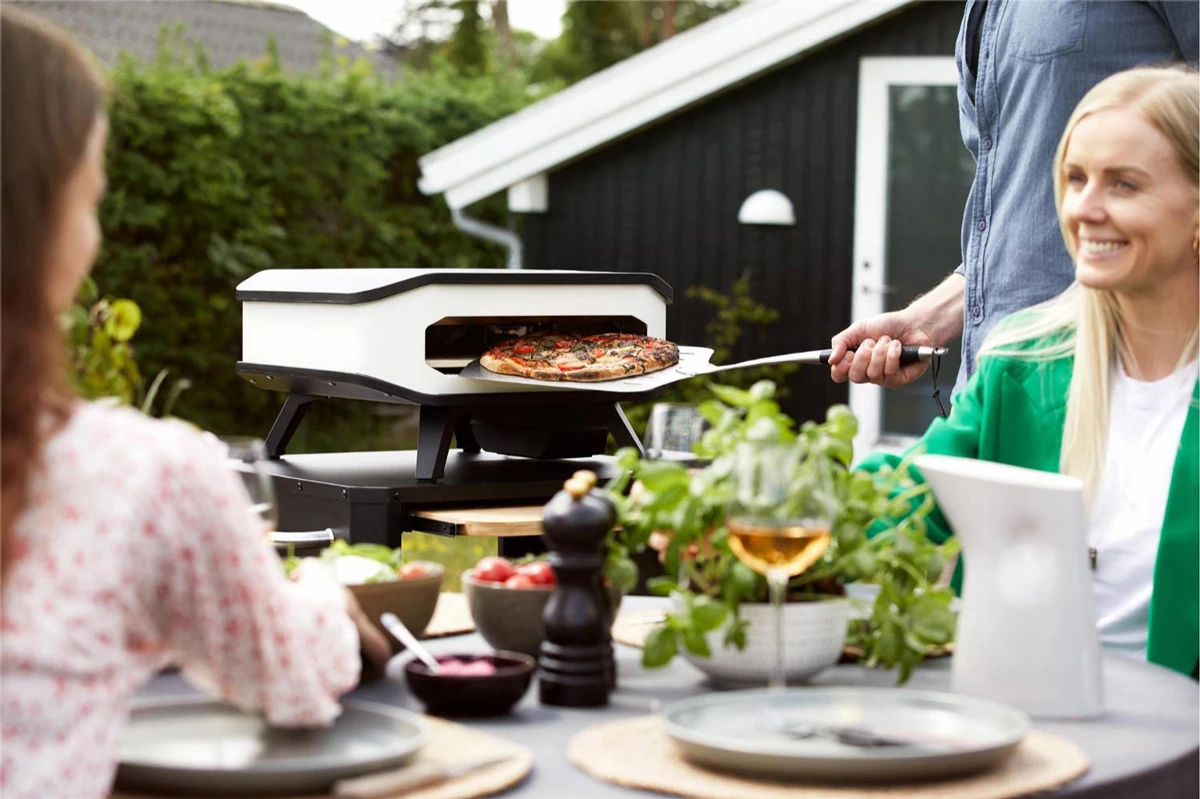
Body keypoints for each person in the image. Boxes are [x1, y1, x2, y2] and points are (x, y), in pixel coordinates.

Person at [0, 10, 390, 798]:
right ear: (40, 224)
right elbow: (290, 675)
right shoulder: (132, 472)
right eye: (90, 200)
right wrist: (327, 599)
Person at [859, 66, 1199, 677]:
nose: (1083, 208)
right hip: (1019, 730)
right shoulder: (1023, 363)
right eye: (1075, 178)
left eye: (1123, 184)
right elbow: (906, 500)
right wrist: (746, 501)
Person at [829, 0, 1198, 396]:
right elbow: (1022, 210)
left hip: (1123, 389)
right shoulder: (981, 11)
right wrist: (929, 320)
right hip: (991, 385)